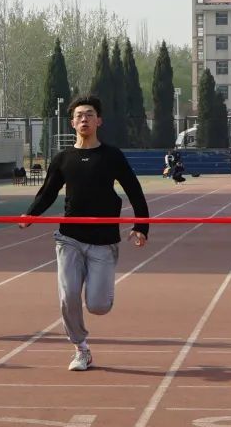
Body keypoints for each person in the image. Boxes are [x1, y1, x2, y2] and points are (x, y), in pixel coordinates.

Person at [21, 95, 149, 371]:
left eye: (89, 114)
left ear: (98, 121)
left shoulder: (112, 156)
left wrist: (141, 226)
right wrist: (30, 215)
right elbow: (47, 193)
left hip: (103, 241)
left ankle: (100, 295)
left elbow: (134, 190)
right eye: (79, 115)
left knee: (98, 305)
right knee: (68, 296)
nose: (84, 119)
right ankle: (81, 348)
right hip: (69, 238)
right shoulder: (63, 158)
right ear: (72, 123)